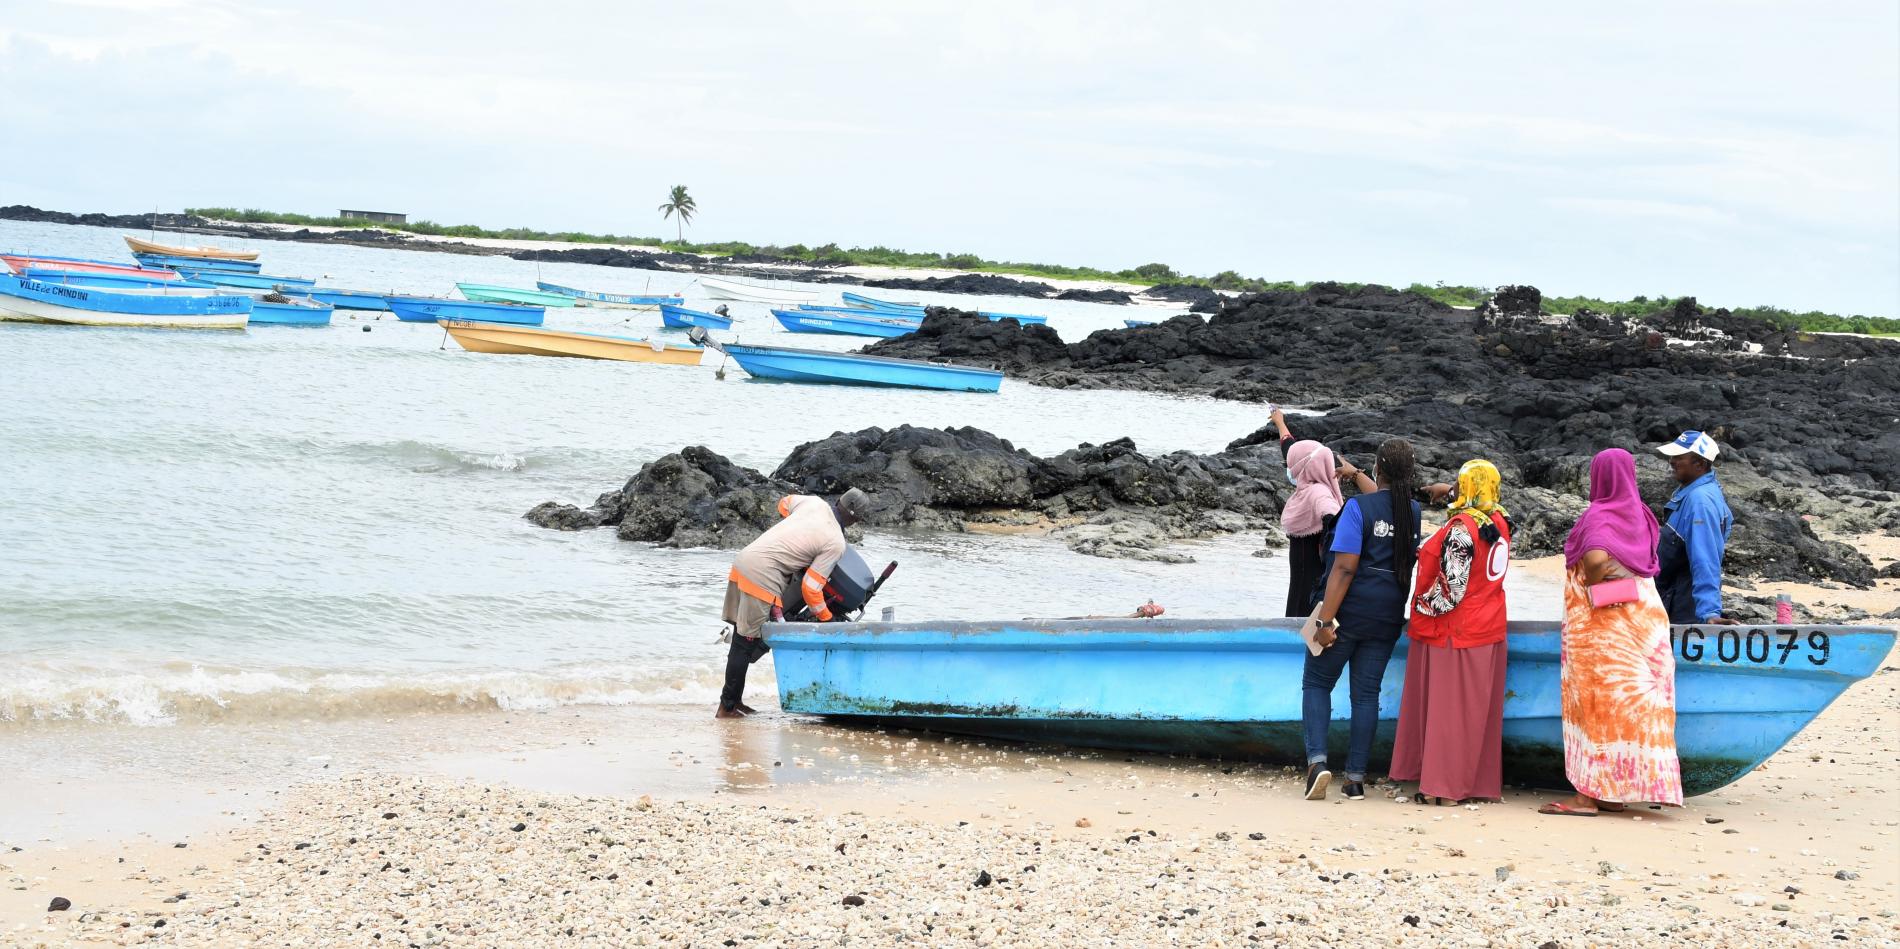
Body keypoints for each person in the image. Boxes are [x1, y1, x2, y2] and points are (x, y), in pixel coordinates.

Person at [1542, 448, 1684, 816]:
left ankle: (1587, 797)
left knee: (1596, 707)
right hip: (1645, 625)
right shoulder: (1643, 515)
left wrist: (1598, 576)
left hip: (1604, 633)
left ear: (1598, 477)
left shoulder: (1599, 514)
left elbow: (1594, 560)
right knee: (1633, 708)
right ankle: (1612, 793)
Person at [1301, 437, 1422, 802]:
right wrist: (1354, 474)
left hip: (1349, 611)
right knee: (1365, 695)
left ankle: (1317, 764)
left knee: (1317, 683)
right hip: (1388, 615)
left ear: (1379, 469)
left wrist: (1324, 622)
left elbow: (1344, 568)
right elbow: (1383, 504)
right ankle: (1355, 780)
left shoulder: (1356, 509)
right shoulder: (1412, 511)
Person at [1389, 459, 1512, 806]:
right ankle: (1475, 783)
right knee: (1475, 717)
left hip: (1454, 634)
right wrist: (1450, 496)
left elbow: (1450, 593)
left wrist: (1418, 608)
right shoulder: (1499, 521)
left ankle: (1443, 788)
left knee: (1449, 715)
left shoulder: (1461, 530)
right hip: (1488, 627)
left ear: (1466, 488)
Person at [717, 488, 871, 719]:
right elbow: (810, 589)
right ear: (856, 519)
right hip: (763, 576)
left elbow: (783, 503)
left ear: (838, 501)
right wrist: (827, 619)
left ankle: (734, 702)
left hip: (745, 561)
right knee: (744, 643)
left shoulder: (813, 503)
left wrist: (798, 532)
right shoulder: (835, 542)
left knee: (742, 638)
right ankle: (728, 707)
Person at [1268, 405, 1375, 616]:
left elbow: (1291, 450)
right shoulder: (1314, 492)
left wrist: (1280, 422)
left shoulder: (1311, 494)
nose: (1291, 468)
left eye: (1292, 465)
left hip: (1307, 589)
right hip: (1309, 587)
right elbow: (1292, 451)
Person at [1655, 431, 1735, 625]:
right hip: (1674, 598)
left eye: (1679, 457)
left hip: (1683, 608)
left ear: (1699, 464)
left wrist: (1709, 613)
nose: (1672, 461)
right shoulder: (1693, 492)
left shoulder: (1700, 501)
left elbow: (1705, 558)